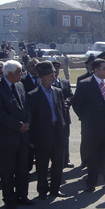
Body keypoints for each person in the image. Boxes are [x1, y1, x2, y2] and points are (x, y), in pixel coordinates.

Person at [0, 60, 34, 209]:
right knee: (8, 170)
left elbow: (26, 105)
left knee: (23, 168)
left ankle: (23, 195)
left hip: (22, 136)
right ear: (10, 74)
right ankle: (9, 198)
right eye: (19, 72)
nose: (21, 74)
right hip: (6, 137)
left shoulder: (20, 85)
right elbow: (0, 114)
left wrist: (27, 122)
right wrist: (18, 126)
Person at [73, 58, 105, 192]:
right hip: (92, 128)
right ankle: (91, 182)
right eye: (104, 68)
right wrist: (86, 118)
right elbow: (76, 104)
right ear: (95, 70)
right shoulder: (85, 84)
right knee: (92, 156)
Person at [27, 61, 67, 199]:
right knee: (42, 164)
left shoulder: (58, 92)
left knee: (57, 164)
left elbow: (63, 113)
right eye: (51, 76)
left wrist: (64, 131)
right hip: (42, 136)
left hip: (57, 133)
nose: (54, 78)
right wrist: (31, 139)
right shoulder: (33, 95)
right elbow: (30, 119)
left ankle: (55, 189)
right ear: (43, 78)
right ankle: (42, 190)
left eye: (54, 75)